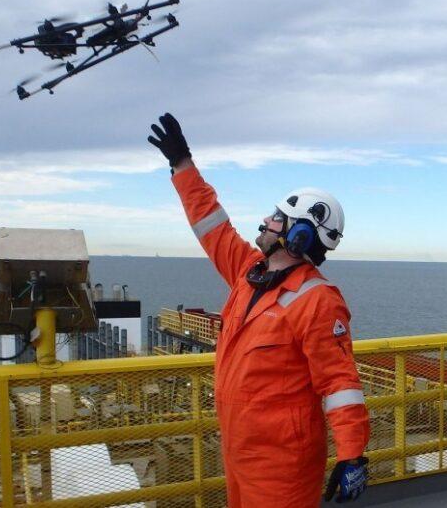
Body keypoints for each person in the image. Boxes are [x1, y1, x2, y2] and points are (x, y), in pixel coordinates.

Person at [147, 113, 370, 507]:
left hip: (283, 462)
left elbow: (340, 384)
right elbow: (211, 224)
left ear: (297, 236)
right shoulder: (249, 272)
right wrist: (182, 164)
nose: (266, 221)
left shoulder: (318, 300)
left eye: (277, 218)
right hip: (239, 450)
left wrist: (352, 454)